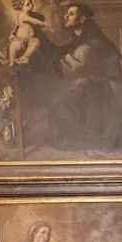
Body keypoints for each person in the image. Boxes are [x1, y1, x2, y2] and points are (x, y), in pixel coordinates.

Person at [52, 3, 122, 151]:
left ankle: (87, 141)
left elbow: (82, 67)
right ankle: (79, 139)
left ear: (82, 18)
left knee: (63, 100)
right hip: (91, 84)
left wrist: (67, 59)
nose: (66, 16)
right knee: (59, 101)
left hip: (109, 89)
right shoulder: (79, 39)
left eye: (71, 13)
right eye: (66, 13)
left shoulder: (93, 41)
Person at [7, 0, 47, 66]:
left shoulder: (30, 14)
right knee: (13, 45)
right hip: (20, 39)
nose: (31, 5)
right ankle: (11, 62)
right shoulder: (23, 15)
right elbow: (34, 21)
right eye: (27, 4)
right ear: (21, 7)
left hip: (29, 39)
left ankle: (23, 57)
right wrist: (42, 23)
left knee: (35, 42)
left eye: (31, 2)